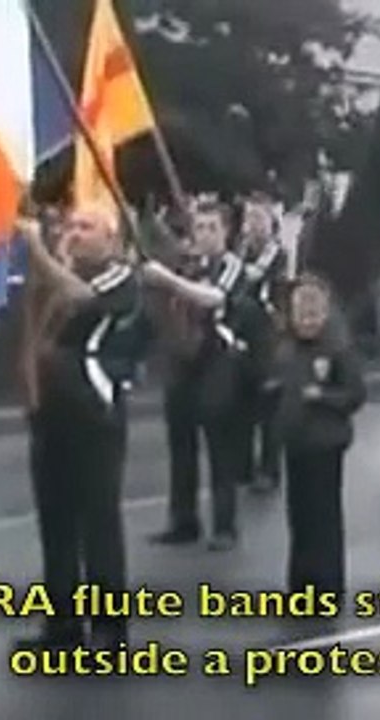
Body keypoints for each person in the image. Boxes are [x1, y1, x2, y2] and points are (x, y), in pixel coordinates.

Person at [14, 205, 144, 650]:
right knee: (56, 522)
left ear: (110, 238)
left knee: (98, 522)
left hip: (94, 411)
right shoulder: (62, 275)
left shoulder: (121, 277)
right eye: (69, 226)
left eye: (85, 227)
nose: (74, 233)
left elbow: (81, 299)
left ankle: (110, 631)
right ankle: (62, 625)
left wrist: (38, 250)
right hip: (51, 412)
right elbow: (39, 323)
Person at [145, 200, 252, 551]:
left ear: (226, 232)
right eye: (199, 227)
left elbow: (214, 298)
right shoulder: (186, 264)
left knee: (220, 445)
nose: (204, 235)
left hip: (218, 360)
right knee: (181, 443)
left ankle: (226, 525)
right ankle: (183, 519)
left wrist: (171, 281)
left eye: (212, 228)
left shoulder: (233, 266)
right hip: (182, 359)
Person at [273, 275, 366, 599]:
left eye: (313, 313)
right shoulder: (286, 345)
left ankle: (327, 585)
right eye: (301, 313)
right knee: (299, 517)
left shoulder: (338, 347)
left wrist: (323, 397)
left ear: (325, 313)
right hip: (296, 442)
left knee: (324, 517)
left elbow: (355, 394)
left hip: (326, 443)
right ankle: (301, 583)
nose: (307, 320)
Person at [238, 194, 288, 493]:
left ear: (272, 223)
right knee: (242, 405)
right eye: (249, 218)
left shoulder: (275, 254)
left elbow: (254, 280)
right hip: (242, 336)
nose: (253, 225)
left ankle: (270, 469)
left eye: (259, 218)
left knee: (269, 407)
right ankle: (243, 466)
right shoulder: (242, 251)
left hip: (268, 335)